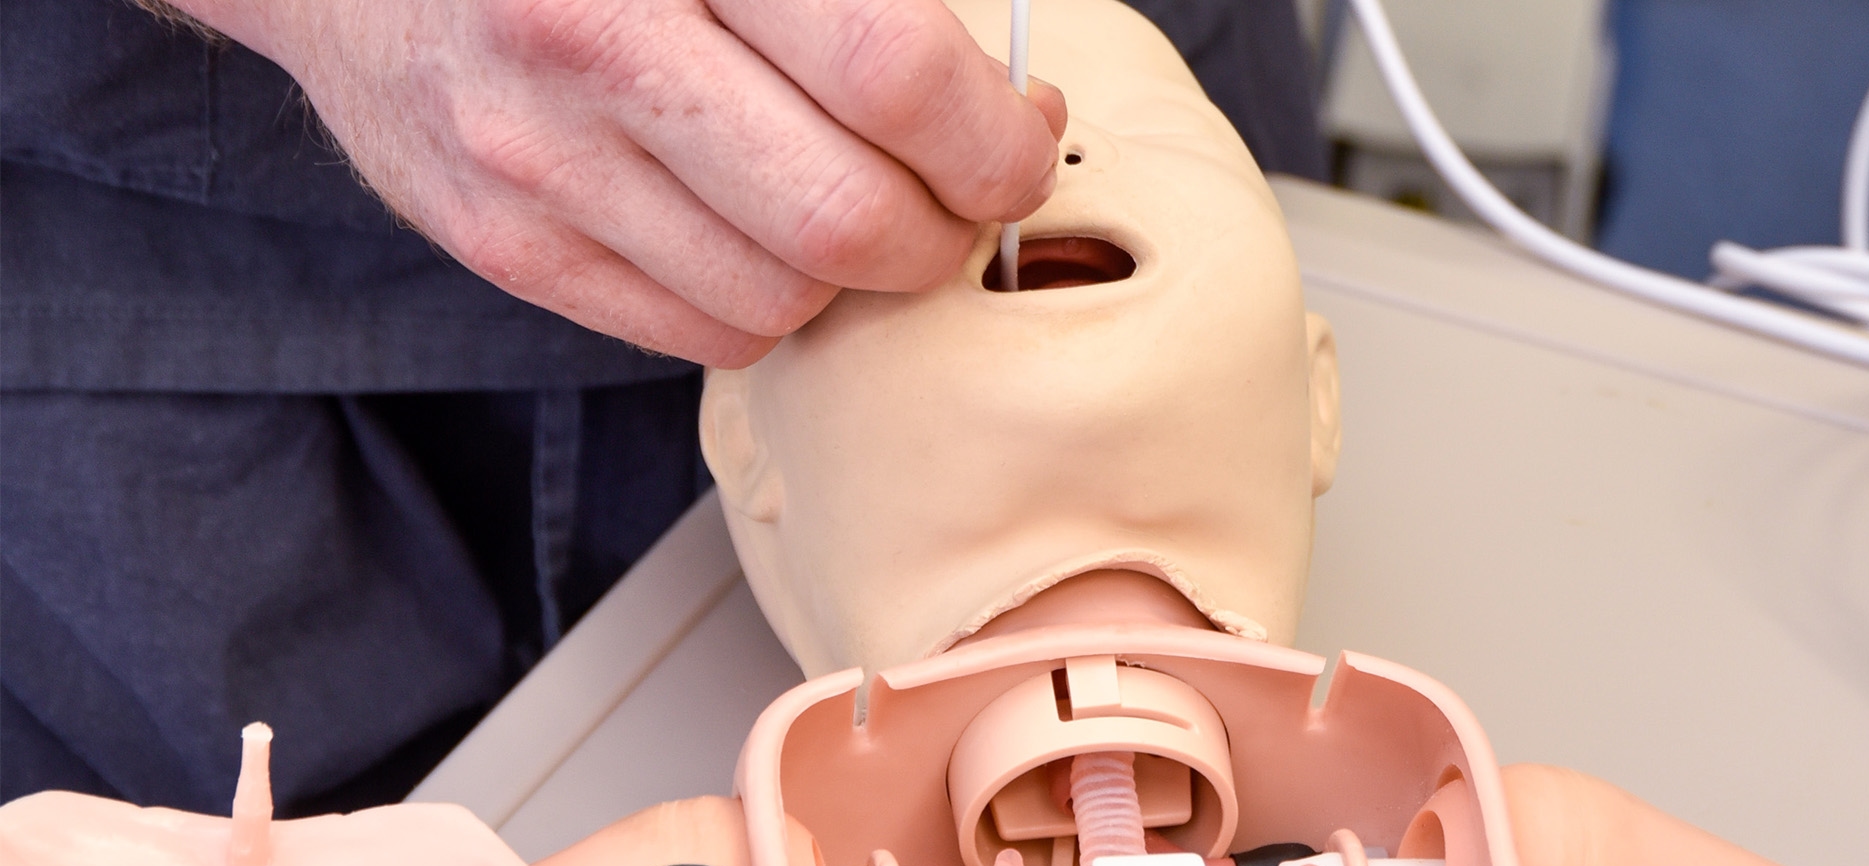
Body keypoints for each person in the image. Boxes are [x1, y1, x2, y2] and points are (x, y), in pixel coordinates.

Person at [0, 0, 1325, 817]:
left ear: (1319, 400)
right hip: (192, 303)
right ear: (743, 437)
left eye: (1132, 119)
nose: (1069, 156)